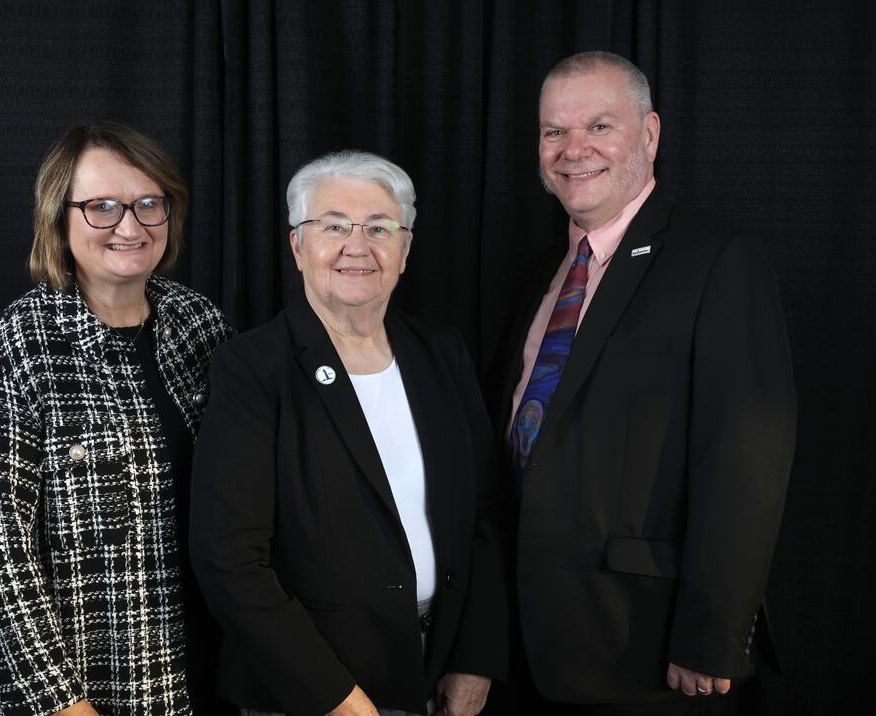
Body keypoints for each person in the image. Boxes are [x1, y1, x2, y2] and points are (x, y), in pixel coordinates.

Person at [493, 51, 797, 714]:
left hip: (650, 649)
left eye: (599, 126)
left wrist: (712, 634)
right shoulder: (539, 279)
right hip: (528, 645)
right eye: (554, 132)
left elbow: (748, 462)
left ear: (650, 134)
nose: (574, 150)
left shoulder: (717, 260)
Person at [190, 151, 508, 716]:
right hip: (309, 691)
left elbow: (484, 513)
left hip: (437, 677)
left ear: (405, 251)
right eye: (333, 225)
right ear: (297, 246)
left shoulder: (441, 351)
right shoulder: (252, 368)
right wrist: (338, 700)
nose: (356, 245)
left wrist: (475, 656)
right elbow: (229, 560)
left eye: (380, 228)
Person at [0, 120, 234, 715]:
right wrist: (61, 703)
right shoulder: (24, 343)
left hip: (216, 668)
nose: (129, 226)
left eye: (147, 204)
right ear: (59, 218)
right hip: (93, 689)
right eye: (101, 207)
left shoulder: (200, 327)